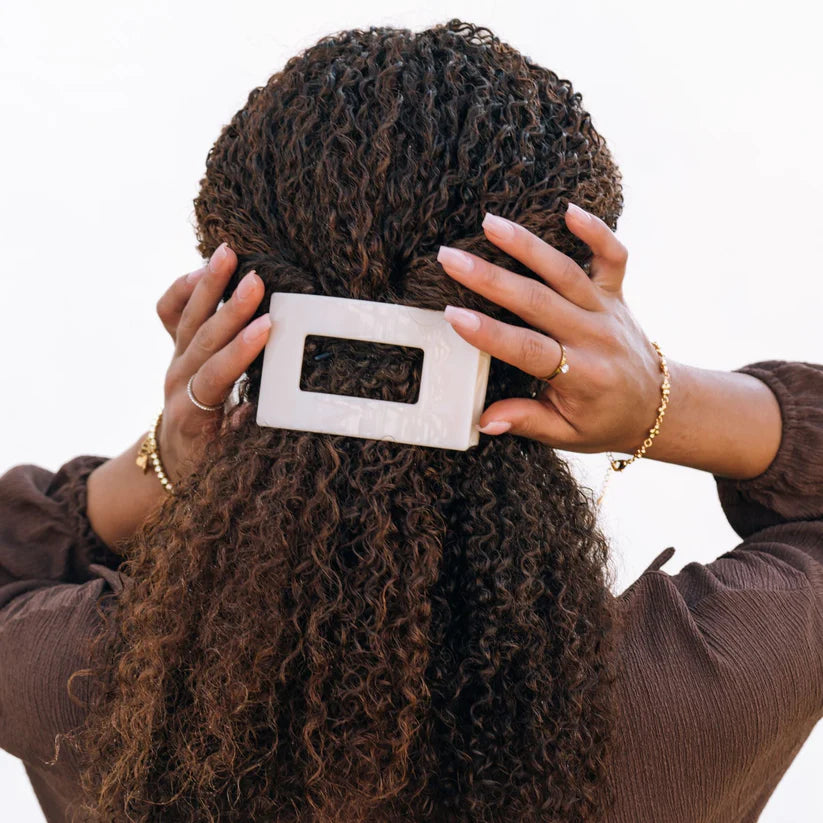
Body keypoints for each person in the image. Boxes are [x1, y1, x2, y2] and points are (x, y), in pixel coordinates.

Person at [0, 16, 820, 823]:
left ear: (232, 310)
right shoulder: (701, 689)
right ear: (555, 323)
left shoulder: (87, 688)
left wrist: (167, 459)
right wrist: (659, 402)